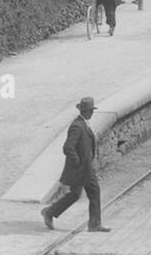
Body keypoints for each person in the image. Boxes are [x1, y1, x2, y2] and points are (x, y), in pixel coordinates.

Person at [42, 97, 110, 232]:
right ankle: (94, 224)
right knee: (92, 192)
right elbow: (68, 147)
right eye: (91, 111)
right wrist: (78, 162)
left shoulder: (83, 123)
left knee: (75, 194)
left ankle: (49, 212)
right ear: (87, 111)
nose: (92, 113)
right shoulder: (77, 126)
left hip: (84, 168)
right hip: (81, 169)